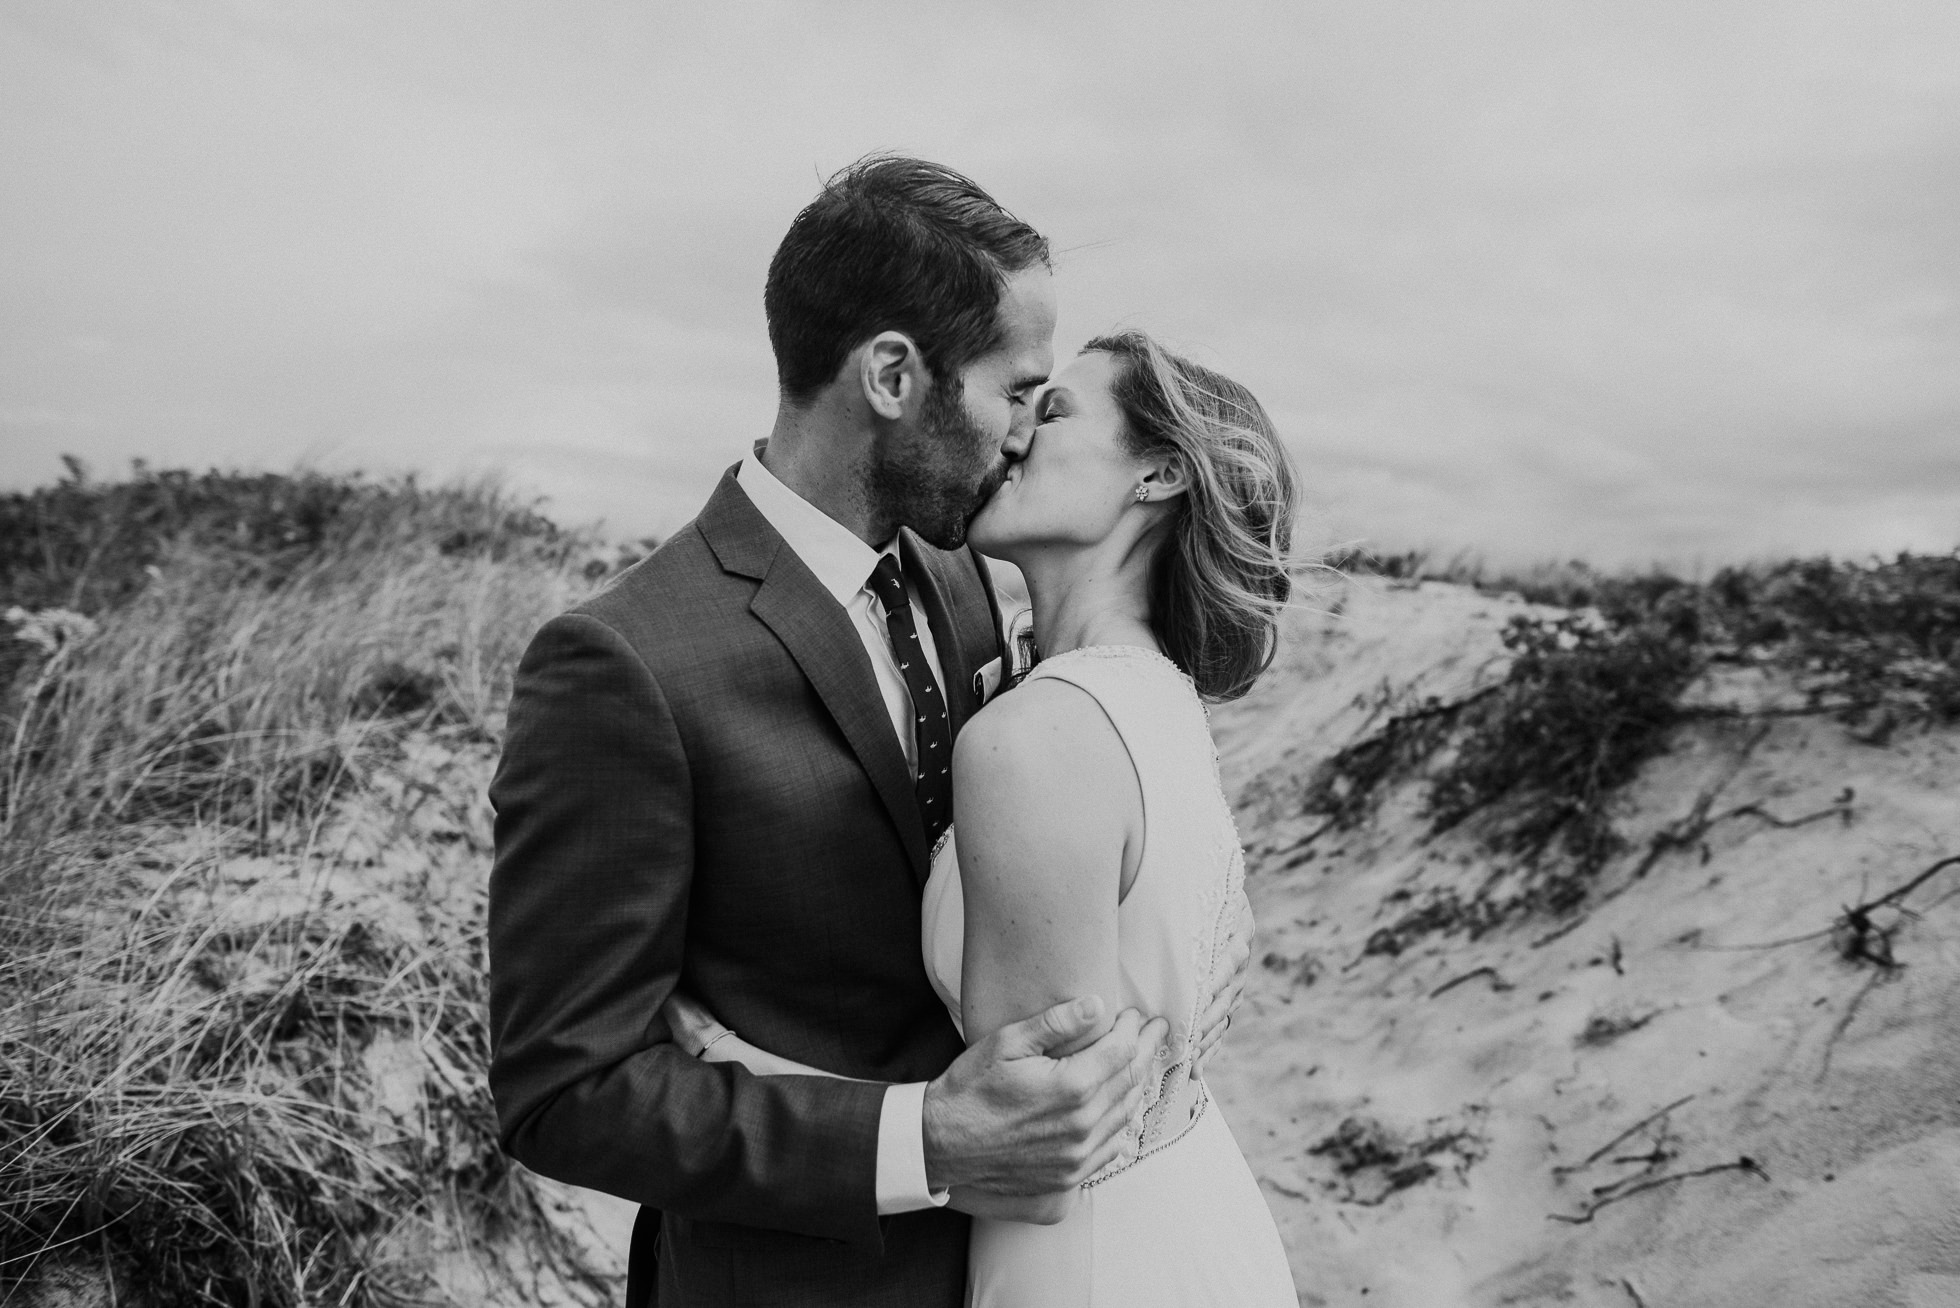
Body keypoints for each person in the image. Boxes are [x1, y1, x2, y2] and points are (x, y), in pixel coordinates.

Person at [486, 156, 1250, 1308]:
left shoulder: (970, 576)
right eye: (1015, 390)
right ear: (894, 374)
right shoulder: (626, 663)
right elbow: (562, 1090)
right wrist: (924, 1140)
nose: (1019, 436)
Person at [668, 329, 1302, 1305]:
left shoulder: (1036, 737)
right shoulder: (1157, 700)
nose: (1012, 437)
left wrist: (728, 1057)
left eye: (1053, 412)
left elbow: (1033, 1148)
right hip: (1192, 1217)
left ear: (1159, 473)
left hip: (1087, 1261)